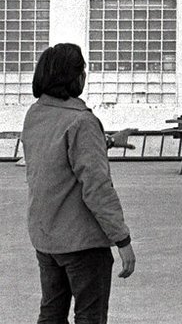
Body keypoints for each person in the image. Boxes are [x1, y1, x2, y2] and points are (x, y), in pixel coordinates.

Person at [21, 43, 136, 324]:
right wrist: (122, 239)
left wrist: (106, 141)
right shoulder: (82, 122)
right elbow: (97, 188)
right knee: (90, 316)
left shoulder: (35, 114)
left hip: (46, 238)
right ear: (73, 77)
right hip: (82, 244)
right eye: (82, 70)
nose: (85, 75)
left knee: (51, 312)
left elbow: (58, 155)